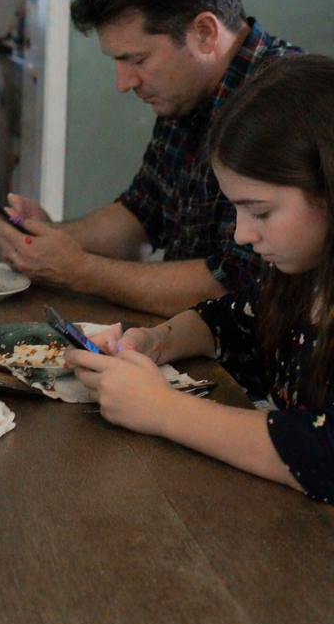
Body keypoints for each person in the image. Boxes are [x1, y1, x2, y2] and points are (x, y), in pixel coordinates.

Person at [0, 0, 300, 316]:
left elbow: (235, 285)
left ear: (204, 33)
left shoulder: (283, 104)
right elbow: (142, 214)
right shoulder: (186, 90)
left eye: (137, 60)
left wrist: (78, 270)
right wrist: (49, 239)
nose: (125, 82)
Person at [68, 55, 334, 502]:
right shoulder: (302, 274)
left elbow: (322, 452)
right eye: (235, 209)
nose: (242, 234)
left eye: (260, 211)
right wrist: (158, 340)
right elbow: (231, 318)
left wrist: (161, 409)